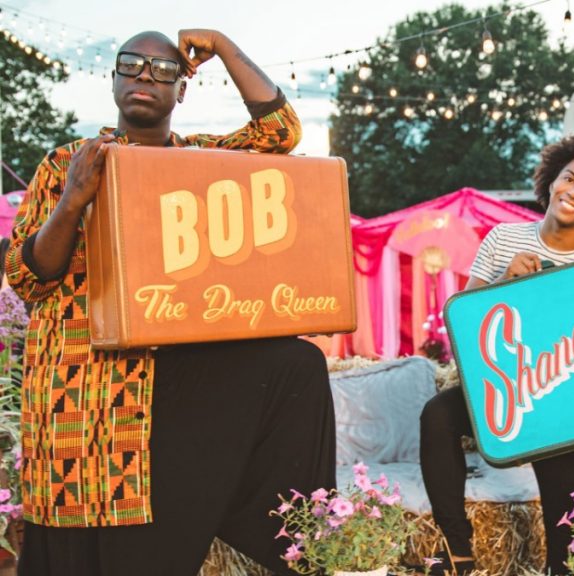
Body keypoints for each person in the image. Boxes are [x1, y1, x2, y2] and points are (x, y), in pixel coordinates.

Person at [4, 30, 336, 576]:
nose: (145, 77)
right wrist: (72, 200)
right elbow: (26, 277)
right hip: (81, 383)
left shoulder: (198, 161)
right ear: (113, 79)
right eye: (131, 65)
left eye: (163, 71)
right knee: (77, 525)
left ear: (181, 91)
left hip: (167, 379)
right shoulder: (66, 161)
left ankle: (285, 533)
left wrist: (225, 47)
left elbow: (281, 133)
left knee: (296, 364)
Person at [419, 134, 574, 576]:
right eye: (569, 179)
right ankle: (456, 551)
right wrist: (503, 278)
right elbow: (461, 321)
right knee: (438, 415)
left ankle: (562, 563)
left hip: (553, 397)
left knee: (566, 450)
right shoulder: (503, 238)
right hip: (497, 390)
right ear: (551, 180)